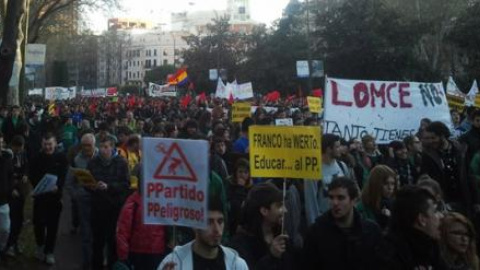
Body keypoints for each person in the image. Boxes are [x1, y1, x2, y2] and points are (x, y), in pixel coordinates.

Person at [303, 177, 387, 270]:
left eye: (340, 198)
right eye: (331, 197)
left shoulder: (371, 232)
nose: (335, 203)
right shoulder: (316, 233)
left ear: (353, 201)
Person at [158, 198, 248, 270]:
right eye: (209, 222)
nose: (217, 229)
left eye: (220, 222)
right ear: (194, 226)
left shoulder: (237, 265)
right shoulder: (173, 263)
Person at [87, 137, 130, 270]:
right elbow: (86, 181)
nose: (103, 150)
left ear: (112, 148)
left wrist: (109, 186)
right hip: (97, 206)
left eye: (106, 147)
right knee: (97, 241)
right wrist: (91, 186)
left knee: (112, 241)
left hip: (114, 208)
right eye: (101, 146)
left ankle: (112, 266)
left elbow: (125, 184)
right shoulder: (93, 162)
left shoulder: (121, 162)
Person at [229, 182, 293, 270]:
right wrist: (272, 256)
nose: (285, 210)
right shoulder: (240, 244)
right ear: (264, 211)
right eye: (279, 206)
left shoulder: (281, 235)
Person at [116, 164, 166, 270]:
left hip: (158, 252)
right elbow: (122, 232)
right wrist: (123, 256)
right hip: (137, 252)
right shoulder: (134, 202)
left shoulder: (163, 200)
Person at [29, 133, 68, 265]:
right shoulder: (36, 158)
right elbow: (31, 175)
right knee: (38, 224)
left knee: (53, 226)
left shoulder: (62, 157)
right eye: (45, 144)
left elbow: (64, 175)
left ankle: (49, 251)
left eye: (50, 144)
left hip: (55, 198)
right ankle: (40, 246)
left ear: (55, 143)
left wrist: (58, 186)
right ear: (42, 144)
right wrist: (37, 186)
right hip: (40, 197)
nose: (47, 147)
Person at [385, 185, 446, 269]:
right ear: (422, 219)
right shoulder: (391, 253)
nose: (441, 216)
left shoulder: (430, 246)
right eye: (435, 211)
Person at [421, 121, 473, 214]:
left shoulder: (460, 150)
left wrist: (476, 201)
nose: (431, 141)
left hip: (464, 199)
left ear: (442, 136)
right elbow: (426, 180)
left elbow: (469, 175)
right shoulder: (427, 155)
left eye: (433, 138)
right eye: (429, 138)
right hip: (444, 203)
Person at [66, 133, 98, 270]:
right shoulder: (77, 160)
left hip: (101, 201)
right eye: (83, 145)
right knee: (86, 233)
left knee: (99, 233)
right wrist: (76, 195)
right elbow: (69, 182)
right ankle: (87, 262)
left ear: (94, 145)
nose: (86, 148)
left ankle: (98, 260)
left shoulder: (102, 156)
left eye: (89, 145)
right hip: (84, 200)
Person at [304, 134, 351, 225]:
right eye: (337, 147)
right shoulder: (313, 171)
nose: (340, 149)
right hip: (324, 222)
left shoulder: (342, 166)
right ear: (328, 149)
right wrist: (315, 227)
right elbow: (311, 202)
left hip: (343, 220)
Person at [5, 135, 28, 257]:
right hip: (11, 192)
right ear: (12, 146)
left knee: (19, 218)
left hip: (21, 189)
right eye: (17, 149)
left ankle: (15, 241)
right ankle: (8, 244)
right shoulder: (7, 156)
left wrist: (25, 174)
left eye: (21, 149)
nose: (19, 151)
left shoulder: (23, 153)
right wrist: (11, 189)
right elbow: (5, 176)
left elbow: (26, 166)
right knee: (11, 219)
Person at [356, 165, 397, 230]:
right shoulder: (362, 208)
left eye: (392, 184)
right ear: (376, 184)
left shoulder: (393, 205)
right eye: (386, 183)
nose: (390, 188)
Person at [227, 158, 252, 235]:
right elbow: (234, 205)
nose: (243, 175)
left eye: (245, 172)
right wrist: (240, 187)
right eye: (240, 172)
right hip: (231, 222)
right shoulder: (229, 184)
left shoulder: (251, 187)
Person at [0, 132, 13, 260]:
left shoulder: (6, 159)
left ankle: (2, 248)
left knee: (5, 229)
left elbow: (10, 176)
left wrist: (9, 190)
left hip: (3, 201)